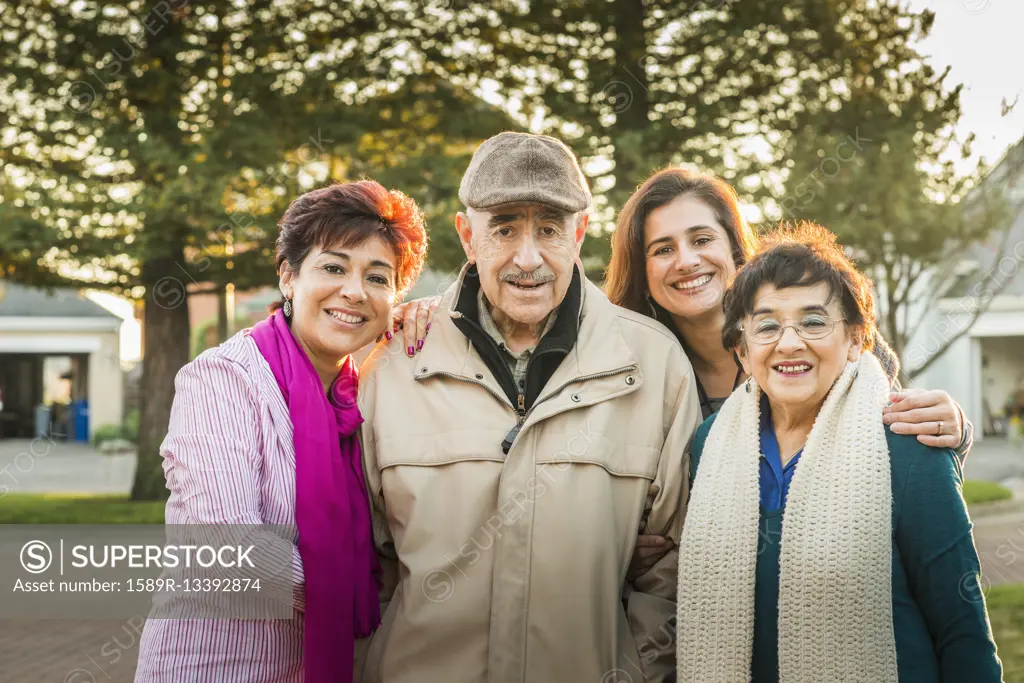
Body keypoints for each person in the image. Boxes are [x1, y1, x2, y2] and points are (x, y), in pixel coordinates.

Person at [355, 132, 700, 683]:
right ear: (468, 236)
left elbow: (675, 569)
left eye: (549, 229)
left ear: (579, 233)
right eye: (505, 228)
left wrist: (639, 671)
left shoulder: (655, 365)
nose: (528, 257)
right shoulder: (391, 365)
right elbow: (364, 567)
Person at [601, 167, 975, 573]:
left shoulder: (829, 348)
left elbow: (892, 454)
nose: (687, 261)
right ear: (643, 273)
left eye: (702, 239)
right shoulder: (628, 374)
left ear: (735, 251)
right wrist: (614, 543)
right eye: (662, 249)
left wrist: (953, 428)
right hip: (683, 604)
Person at [675, 223, 1002, 682]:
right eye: (767, 325)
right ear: (743, 351)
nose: (790, 343)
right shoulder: (710, 443)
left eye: (813, 321)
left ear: (854, 339)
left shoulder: (907, 440)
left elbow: (962, 632)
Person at [134, 180, 428, 682]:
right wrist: (349, 593)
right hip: (213, 667)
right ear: (289, 277)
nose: (354, 291)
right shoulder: (225, 379)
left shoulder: (366, 394)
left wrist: (439, 319)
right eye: (333, 267)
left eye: (378, 278)